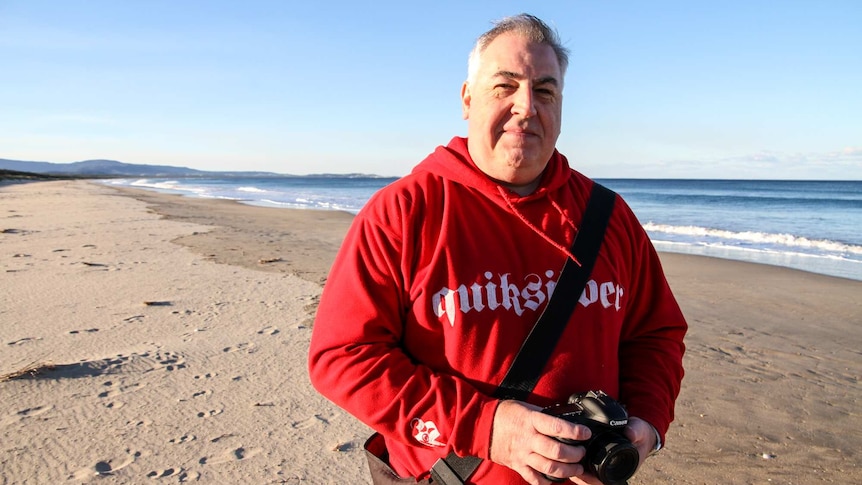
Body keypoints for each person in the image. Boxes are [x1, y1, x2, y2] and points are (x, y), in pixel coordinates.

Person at [308, 13, 686, 485]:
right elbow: (343, 356)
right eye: (504, 87)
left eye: (545, 91)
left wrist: (647, 421)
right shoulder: (405, 211)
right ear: (467, 99)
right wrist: (486, 429)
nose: (526, 106)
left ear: (561, 108)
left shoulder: (609, 217)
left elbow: (656, 335)